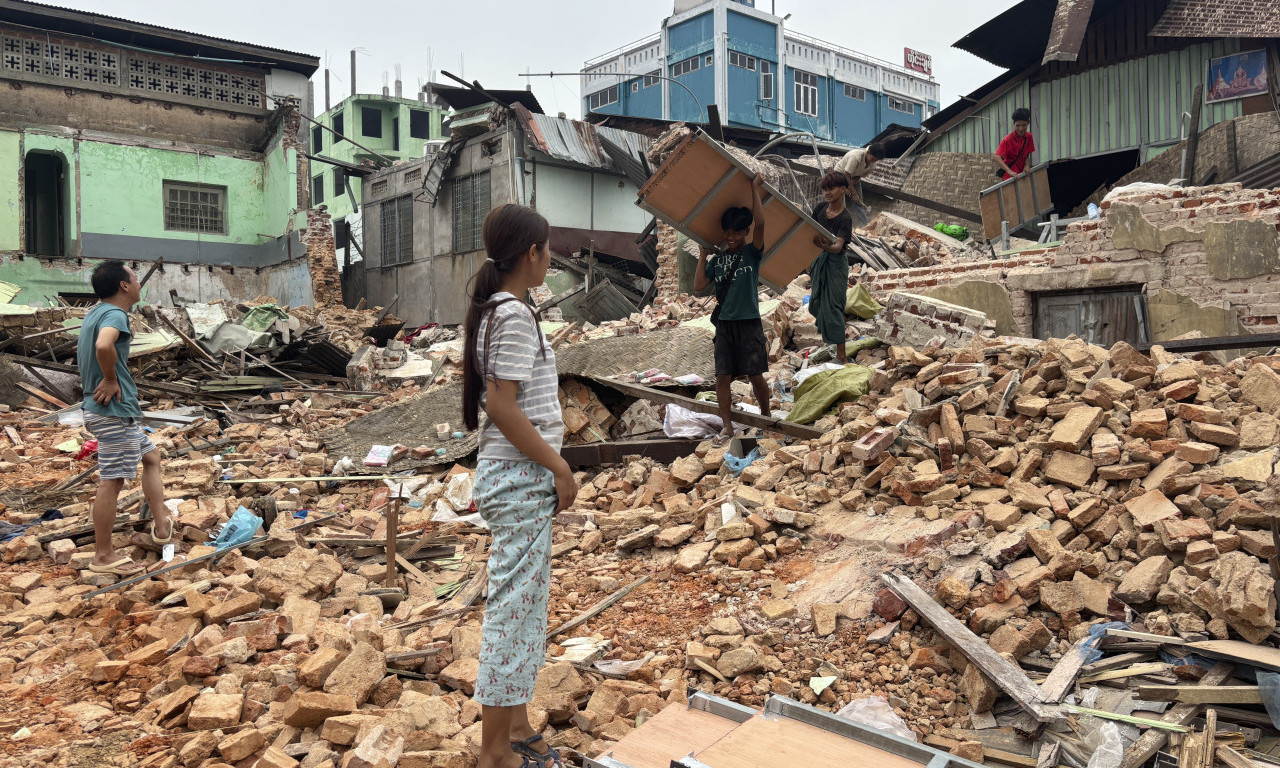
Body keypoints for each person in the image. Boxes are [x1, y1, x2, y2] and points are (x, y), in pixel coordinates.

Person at [462, 203, 577, 768]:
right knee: (513, 609)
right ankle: (494, 752)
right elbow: (502, 406)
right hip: (521, 474)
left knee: (528, 605)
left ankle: (519, 724)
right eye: (548, 248)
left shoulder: (504, 310)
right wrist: (558, 466)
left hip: (514, 474)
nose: (551, 257)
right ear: (531, 254)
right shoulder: (511, 316)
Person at [79, 260, 172, 576]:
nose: (138, 282)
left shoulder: (95, 312)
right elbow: (104, 345)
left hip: (112, 411)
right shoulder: (115, 315)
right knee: (113, 480)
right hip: (113, 411)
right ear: (124, 285)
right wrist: (109, 378)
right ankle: (103, 556)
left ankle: (161, 526)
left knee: (151, 457)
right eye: (135, 277)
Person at [694, 174, 772, 446]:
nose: (731, 236)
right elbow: (699, 283)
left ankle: (765, 418)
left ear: (745, 233)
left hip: (749, 321)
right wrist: (704, 255)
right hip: (725, 324)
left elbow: (760, 222)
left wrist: (754, 189)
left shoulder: (752, 253)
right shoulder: (719, 259)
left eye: (737, 232)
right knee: (722, 377)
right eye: (727, 232)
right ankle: (727, 426)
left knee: (755, 374)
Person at [808, 171, 856, 363]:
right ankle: (831, 345)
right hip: (819, 261)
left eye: (832, 188)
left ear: (843, 189)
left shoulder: (845, 217)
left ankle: (842, 356)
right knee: (817, 302)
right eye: (825, 189)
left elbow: (838, 246)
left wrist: (827, 246)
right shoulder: (820, 208)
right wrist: (808, 260)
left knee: (834, 306)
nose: (827, 192)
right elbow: (808, 232)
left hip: (836, 265)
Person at [834, 141, 886, 226]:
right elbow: (846, 176)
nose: (872, 162)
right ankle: (837, 225)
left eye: (875, 160)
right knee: (839, 201)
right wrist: (853, 192)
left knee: (858, 202)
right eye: (872, 159)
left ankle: (863, 226)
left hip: (852, 177)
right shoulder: (856, 157)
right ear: (868, 152)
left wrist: (852, 184)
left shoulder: (872, 165)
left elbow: (859, 176)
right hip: (840, 175)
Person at [995, 108, 1036, 181]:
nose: (1021, 129)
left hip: (1022, 175)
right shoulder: (1007, 140)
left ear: (1028, 123)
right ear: (1014, 124)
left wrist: (1027, 165)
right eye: (1018, 125)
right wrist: (1009, 171)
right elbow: (997, 157)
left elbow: (1027, 153)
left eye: (1024, 125)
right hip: (1008, 177)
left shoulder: (1029, 137)